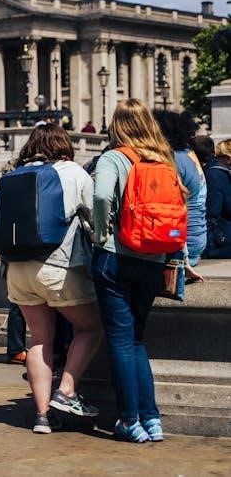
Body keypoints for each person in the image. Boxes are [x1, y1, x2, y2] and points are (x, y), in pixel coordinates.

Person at [2, 124, 104, 434]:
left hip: (17, 269)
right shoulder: (73, 172)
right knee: (91, 328)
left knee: (39, 339)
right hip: (57, 265)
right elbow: (96, 216)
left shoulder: (14, 174)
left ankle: (43, 416)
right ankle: (67, 391)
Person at [92, 99, 173, 443]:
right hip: (153, 260)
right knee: (137, 340)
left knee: (121, 341)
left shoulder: (113, 157)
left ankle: (129, 420)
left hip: (117, 256)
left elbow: (100, 197)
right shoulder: (163, 160)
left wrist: (101, 234)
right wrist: (177, 258)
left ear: (117, 126)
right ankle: (152, 420)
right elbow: (177, 212)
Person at [154, 110, 206, 282]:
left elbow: (170, 210)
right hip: (196, 237)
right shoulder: (188, 154)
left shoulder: (173, 160)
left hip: (184, 242)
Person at [203, 138, 231, 260]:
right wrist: (208, 247)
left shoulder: (218, 173)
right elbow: (212, 213)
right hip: (220, 240)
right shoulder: (217, 175)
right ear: (228, 158)